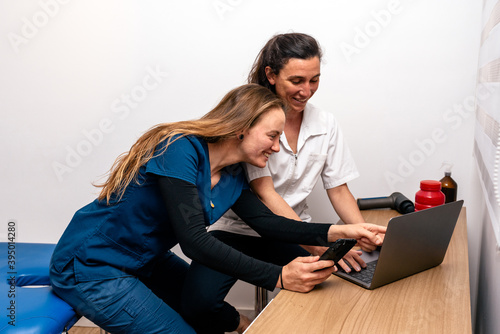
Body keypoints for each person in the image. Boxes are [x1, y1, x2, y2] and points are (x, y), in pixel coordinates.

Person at [49, 83, 386, 334]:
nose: (277, 146)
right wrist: (279, 277)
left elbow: (267, 223)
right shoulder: (179, 149)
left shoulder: (233, 175)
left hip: (143, 258)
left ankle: (245, 326)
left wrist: (337, 232)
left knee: (200, 310)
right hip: (90, 264)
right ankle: (245, 325)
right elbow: (194, 242)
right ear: (241, 127)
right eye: (271, 136)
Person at [183, 33, 378, 333]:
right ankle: (242, 324)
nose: (306, 91)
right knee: (198, 305)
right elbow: (266, 195)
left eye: (314, 80)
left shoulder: (326, 125)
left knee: (329, 291)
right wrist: (316, 246)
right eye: (297, 80)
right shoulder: (251, 121)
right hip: (237, 231)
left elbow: (339, 189)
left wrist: (364, 236)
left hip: (292, 229)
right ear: (271, 75)